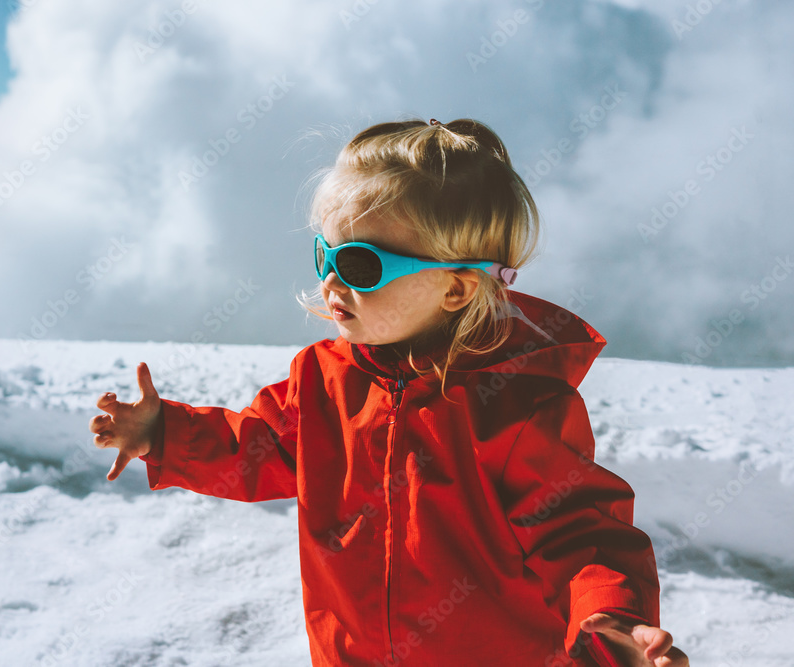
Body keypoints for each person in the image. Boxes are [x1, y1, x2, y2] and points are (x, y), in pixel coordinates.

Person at [89, 118, 689, 666]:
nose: (329, 281)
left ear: (455, 290)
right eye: (323, 252)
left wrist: (608, 615)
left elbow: (578, 530)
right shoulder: (321, 379)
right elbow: (260, 446)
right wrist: (165, 432)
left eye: (361, 265)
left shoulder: (516, 405)